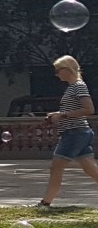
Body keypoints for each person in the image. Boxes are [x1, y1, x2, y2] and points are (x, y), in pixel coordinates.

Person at [38, 56, 98, 207]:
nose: (56, 74)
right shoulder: (73, 87)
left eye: (58, 70)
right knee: (91, 170)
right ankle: (46, 202)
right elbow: (72, 109)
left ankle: (45, 203)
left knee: (56, 167)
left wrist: (62, 115)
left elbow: (89, 109)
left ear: (67, 69)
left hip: (74, 133)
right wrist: (56, 114)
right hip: (78, 132)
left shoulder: (78, 86)